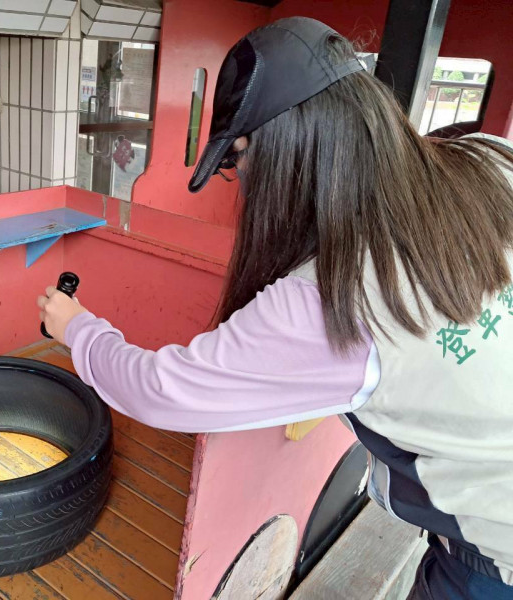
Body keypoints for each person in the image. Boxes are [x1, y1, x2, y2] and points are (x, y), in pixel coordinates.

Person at [37, 17, 513, 600]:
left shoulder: (331, 297)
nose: (240, 183)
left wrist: (77, 328)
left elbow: (159, 390)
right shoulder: (490, 163)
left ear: (272, 149)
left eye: (236, 162)